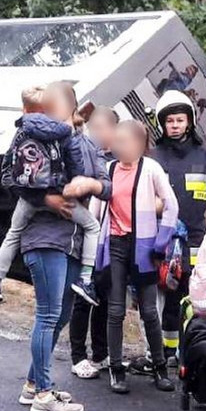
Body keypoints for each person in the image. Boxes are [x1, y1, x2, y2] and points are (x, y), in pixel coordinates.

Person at [16, 82, 110, 411]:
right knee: (48, 314)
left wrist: (92, 185)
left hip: (73, 242)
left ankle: (32, 384)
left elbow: (107, 185)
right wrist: (47, 199)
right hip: (44, 239)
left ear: (71, 111)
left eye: (53, 109)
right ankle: (43, 393)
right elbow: (16, 179)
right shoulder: (35, 139)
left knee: (63, 316)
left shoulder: (86, 144)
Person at [83, 119, 179, 394]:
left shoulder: (151, 169)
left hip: (145, 248)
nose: (116, 146)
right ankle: (116, 369)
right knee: (115, 310)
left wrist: (161, 242)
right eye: (115, 141)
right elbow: (95, 210)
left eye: (123, 141)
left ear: (138, 144)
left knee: (149, 311)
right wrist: (92, 249)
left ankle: (159, 368)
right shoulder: (109, 169)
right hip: (114, 244)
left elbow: (171, 204)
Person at [0, 86, 101, 307]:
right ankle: (86, 279)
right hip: (61, 196)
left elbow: (8, 172)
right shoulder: (64, 132)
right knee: (92, 226)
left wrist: (37, 196)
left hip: (29, 197)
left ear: (25, 108)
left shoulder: (21, 130)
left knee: (13, 234)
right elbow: (77, 167)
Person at [150, 90, 206, 370]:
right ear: (162, 124)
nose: (175, 125)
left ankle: (193, 347)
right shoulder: (153, 157)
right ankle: (168, 350)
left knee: (196, 295)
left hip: (197, 238)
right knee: (169, 294)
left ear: (189, 121)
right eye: (170, 121)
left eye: (180, 120)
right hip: (165, 241)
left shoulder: (205, 157)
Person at [70, 106, 119, 379]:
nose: (97, 133)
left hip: (112, 243)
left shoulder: (121, 161)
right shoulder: (84, 157)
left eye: (103, 128)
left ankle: (101, 353)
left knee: (104, 298)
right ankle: (78, 356)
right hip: (86, 241)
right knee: (82, 298)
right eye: (93, 128)